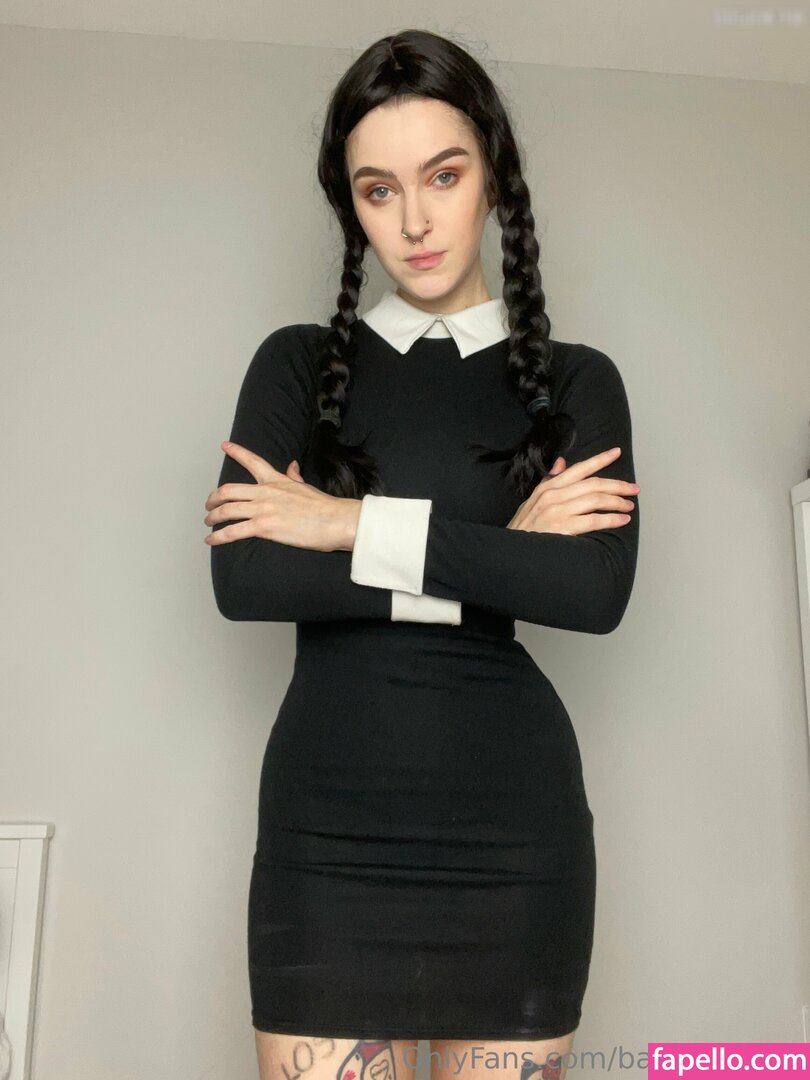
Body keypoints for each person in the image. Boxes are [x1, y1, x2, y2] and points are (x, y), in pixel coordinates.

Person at [204, 28, 640, 1080]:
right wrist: (493, 558)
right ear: (350, 206)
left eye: (443, 175)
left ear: (493, 173)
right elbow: (247, 576)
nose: (413, 221)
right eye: (377, 189)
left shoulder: (577, 381)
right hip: (326, 840)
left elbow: (590, 590)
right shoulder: (297, 365)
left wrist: (346, 524)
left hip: (516, 841)